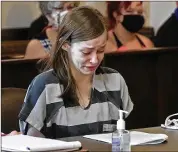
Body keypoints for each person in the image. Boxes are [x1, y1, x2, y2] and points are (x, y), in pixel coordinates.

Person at [18, 6, 133, 139]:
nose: (95, 59)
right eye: (86, 52)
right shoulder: (45, 86)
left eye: (101, 50)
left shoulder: (115, 81)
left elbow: (126, 135)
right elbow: (31, 144)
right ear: (66, 45)